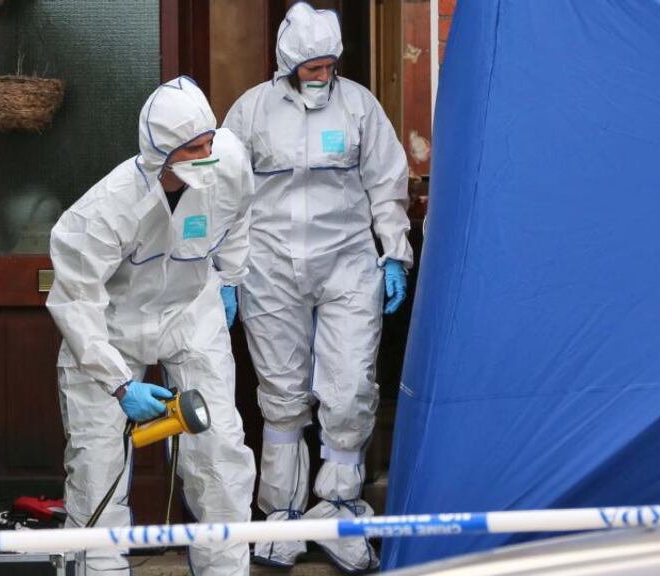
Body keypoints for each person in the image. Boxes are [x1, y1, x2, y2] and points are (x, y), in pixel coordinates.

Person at [223, 3, 413, 572]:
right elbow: (223, 195)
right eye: (311, 64)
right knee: (281, 396)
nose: (321, 73)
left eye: (329, 63)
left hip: (348, 265)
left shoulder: (360, 106)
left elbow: (387, 183)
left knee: (351, 385)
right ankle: (279, 515)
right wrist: (225, 273)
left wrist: (394, 254)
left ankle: (339, 509)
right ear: (288, 62)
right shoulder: (251, 111)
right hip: (271, 266)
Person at [47, 76, 256, 576]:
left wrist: (229, 278)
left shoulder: (229, 163)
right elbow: (76, 303)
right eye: (194, 148)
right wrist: (119, 383)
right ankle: (100, 570)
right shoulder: (104, 210)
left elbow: (239, 216)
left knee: (220, 451)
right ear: (162, 155)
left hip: (192, 314)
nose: (210, 154)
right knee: (97, 464)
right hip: (112, 330)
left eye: (211, 141)